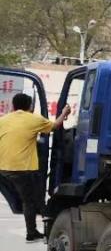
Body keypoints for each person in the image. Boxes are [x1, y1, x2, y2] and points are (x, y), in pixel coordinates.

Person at [0, 93, 71, 241]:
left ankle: (41, 214)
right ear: (30, 106)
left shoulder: (3, 120)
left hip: (3, 169)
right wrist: (64, 112)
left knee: (27, 195)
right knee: (30, 200)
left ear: (13, 106)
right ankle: (32, 232)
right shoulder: (33, 119)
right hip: (21, 169)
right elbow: (54, 126)